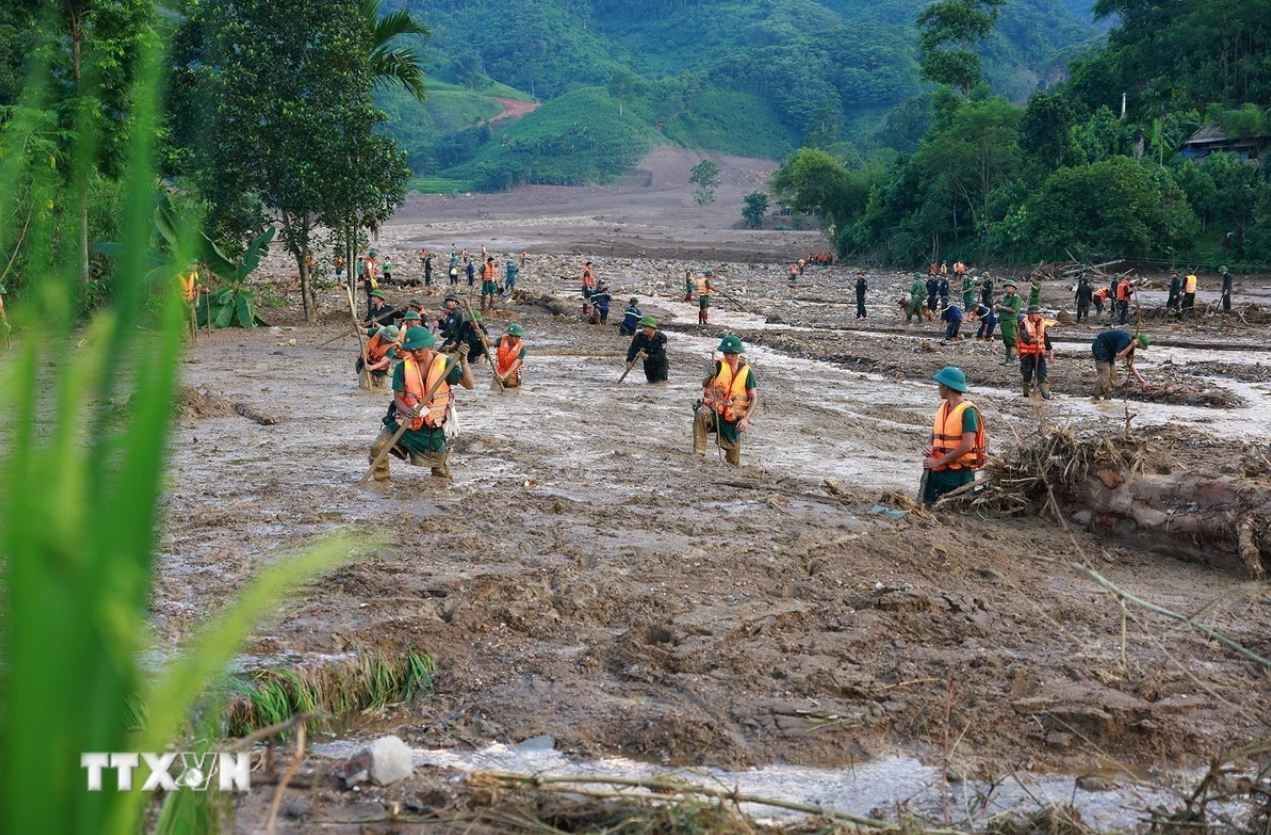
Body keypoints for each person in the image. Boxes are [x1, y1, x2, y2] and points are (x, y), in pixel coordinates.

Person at [368, 327, 474, 481]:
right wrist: (406, 410)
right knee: (378, 447)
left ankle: (441, 489)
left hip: (432, 426)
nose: (416, 353)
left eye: (419, 349)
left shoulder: (446, 364)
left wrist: (464, 362)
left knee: (440, 467)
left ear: (430, 346)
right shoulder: (402, 367)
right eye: (412, 350)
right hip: (406, 421)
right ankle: (382, 481)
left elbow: (469, 385)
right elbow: (398, 398)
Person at [922, 366, 985, 505]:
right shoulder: (944, 408)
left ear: (947, 387)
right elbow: (936, 432)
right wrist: (928, 444)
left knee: (954, 510)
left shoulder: (968, 412)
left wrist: (939, 461)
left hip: (958, 475)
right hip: (937, 473)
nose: (938, 387)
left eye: (940, 385)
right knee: (928, 507)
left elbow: (967, 445)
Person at [693, 334, 757, 466]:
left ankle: (731, 461)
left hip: (732, 418)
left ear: (738, 353)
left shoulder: (747, 372)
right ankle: (699, 453)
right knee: (701, 412)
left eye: (732, 354)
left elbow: (754, 397)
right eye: (726, 354)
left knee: (734, 462)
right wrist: (710, 374)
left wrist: (746, 419)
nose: (729, 357)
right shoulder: (717, 365)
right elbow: (704, 384)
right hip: (714, 412)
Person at [1091, 330, 1148, 400]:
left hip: (1109, 351)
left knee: (1113, 374)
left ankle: (1107, 395)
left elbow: (1130, 365)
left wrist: (1141, 380)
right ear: (1137, 342)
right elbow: (1118, 356)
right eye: (1139, 346)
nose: (1138, 348)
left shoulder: (1131, 345)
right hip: (1100, 346)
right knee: (1105, 373)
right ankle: (1096, 396)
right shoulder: (1126, 340)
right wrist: (1131, 345)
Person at [1017, 305, 1054, 399]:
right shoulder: (1023, 324)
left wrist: (1050, 351)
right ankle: (1026, 395)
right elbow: (1024, 337)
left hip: (1039, 353)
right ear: (1031, 314)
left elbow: (1045, 337)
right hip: (1026, 354)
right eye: (1037, 313)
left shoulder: (1041, 323)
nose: (1039, 315)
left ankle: (1046, 395)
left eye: (1039, 313)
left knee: (1042, 373)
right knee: (1027, 374)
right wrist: (1032, 340)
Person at [626, 315, 668, 383]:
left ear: (652, 328)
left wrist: (646, 356)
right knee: (650, 383)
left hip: (660, 366)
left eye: (645, 327)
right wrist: (629, 361)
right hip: (648, 365)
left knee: (660, 384)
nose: (643, 329)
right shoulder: (639, 337)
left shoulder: (662, 338)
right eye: (642, 327)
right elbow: (632, 350)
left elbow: (661, 356)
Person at [995, 280, 1022, 365]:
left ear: (1014, 288)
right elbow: (1003, 309)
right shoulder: (1006, 297)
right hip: (1004, 322)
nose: (1007, 288)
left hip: (1010, 322)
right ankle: (1006, 360)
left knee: (1012, 342)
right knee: (1006, 342)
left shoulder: (1016, 298)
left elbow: (1013, 310)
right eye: (1006, 287)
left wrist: (1001, 307)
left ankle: (1011, 360)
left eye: (1009, 287)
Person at [495, 323, 527, 388]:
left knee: (511, 392)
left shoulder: (522, 349)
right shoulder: (501, 340)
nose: (513, 339)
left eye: (516, 337)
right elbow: (490, 343)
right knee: (494, 390)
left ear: (520, 337)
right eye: (511, 336)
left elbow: (515, 365)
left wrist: (504, 376)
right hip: (499, 372)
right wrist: (483, 337)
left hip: (512, 374)